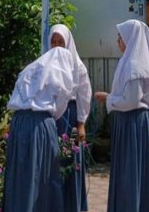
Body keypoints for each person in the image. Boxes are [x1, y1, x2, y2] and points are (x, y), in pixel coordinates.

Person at [94, 19, 149, 212]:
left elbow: (131, 101)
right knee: (133, 170)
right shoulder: (131, 62)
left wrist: (108, 99)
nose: (118, 41)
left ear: (131, 39)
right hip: (132, 122)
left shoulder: (135, 67)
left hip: (133, 122)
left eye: (121, 37)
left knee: (131, 172)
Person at [4, 46, 76, 211]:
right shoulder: (59, 71)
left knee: (21, 174)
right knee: (40, 176)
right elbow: (61, 104)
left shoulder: (30, 69)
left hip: (18, 123)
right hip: (40, 125)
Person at [50, 24, 92, 212]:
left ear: (68, 43)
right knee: (52, 163)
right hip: (50, 120)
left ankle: (72, 206)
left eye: (61, 42)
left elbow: (84, 96)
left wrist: (81, 123)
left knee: (70, 162)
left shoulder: (78, 67)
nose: (58, 46)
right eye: (54, 42)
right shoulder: (45, 64)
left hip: (69, 118)